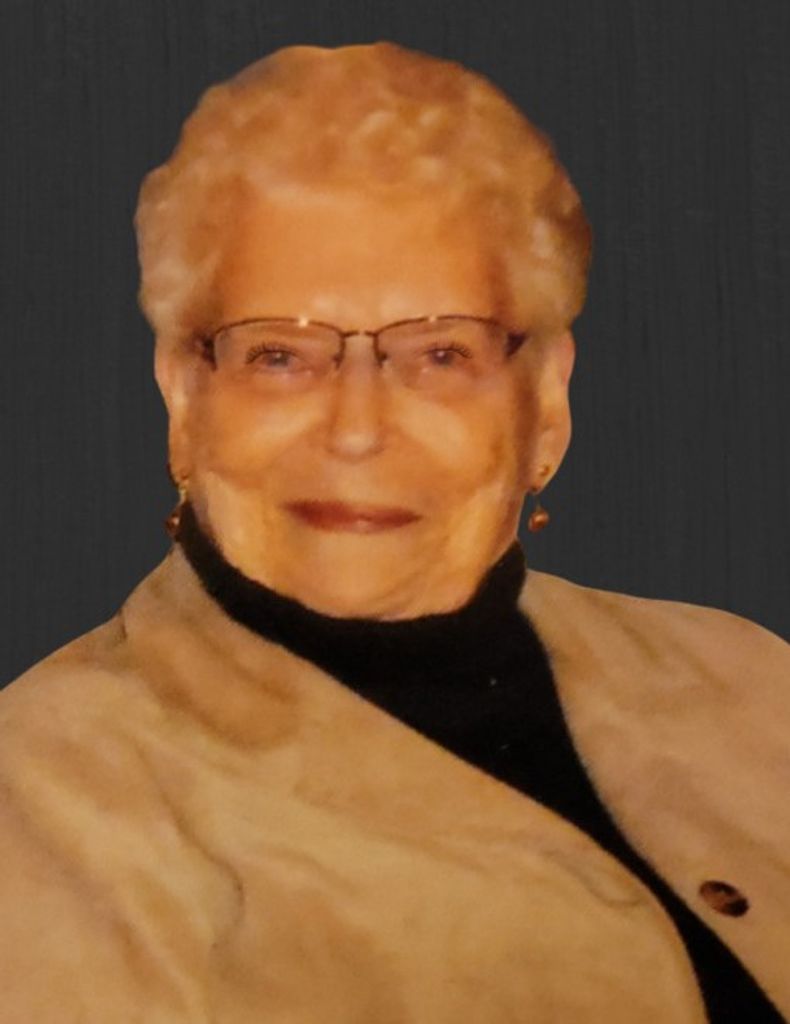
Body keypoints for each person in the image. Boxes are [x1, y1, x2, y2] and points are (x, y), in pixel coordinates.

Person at [0, 40, 788, 1024]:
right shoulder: (48, 804)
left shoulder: (748, 679)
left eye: (441, 354)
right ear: (183, 396)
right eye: (280, 356)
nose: (357, 428)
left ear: (545, 401)